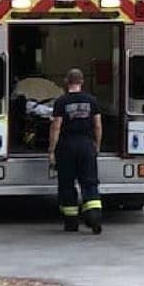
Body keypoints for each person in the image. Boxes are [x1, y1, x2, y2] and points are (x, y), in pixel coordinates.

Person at [48, 68, 103, 234]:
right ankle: (94, 217)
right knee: (89, 182)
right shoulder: (92, 100)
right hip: (86, 145)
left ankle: (71, 222)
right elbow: (98, 125)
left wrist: (51, 150)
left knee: (66, 184)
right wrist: (97, 145)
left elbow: (56, 126)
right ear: (82, 82)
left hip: (66, 147)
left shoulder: (61, 102)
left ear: (66, 81)